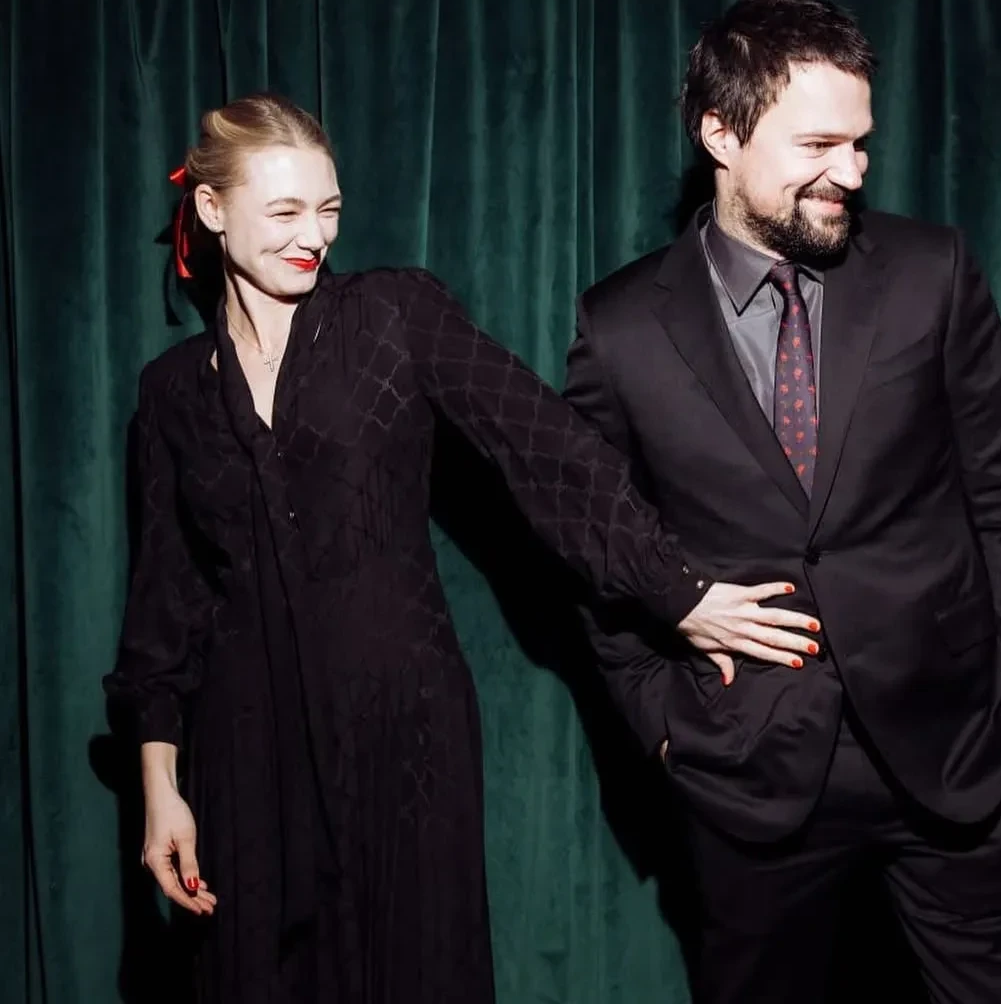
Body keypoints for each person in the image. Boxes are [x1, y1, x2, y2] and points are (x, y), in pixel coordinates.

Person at [102, 92, 817, 1004]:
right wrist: (161, 787)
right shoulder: (170, 393)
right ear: (211, 208)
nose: (313, 237)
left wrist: (676, 589)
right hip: (244, 755)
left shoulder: (393, 316)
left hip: (404, 731)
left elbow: (545, 449)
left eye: (328, 210)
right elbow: (165, 609)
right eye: (284, 212)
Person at [563, 0, 1001, 1004]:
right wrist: (660, 719)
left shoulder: (932, 273)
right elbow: (596, 546)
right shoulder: (618, 329)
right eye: (818, 145)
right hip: (749, 769)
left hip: (963, 752)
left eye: (862, 144)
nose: (852, 171)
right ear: (721, 133)